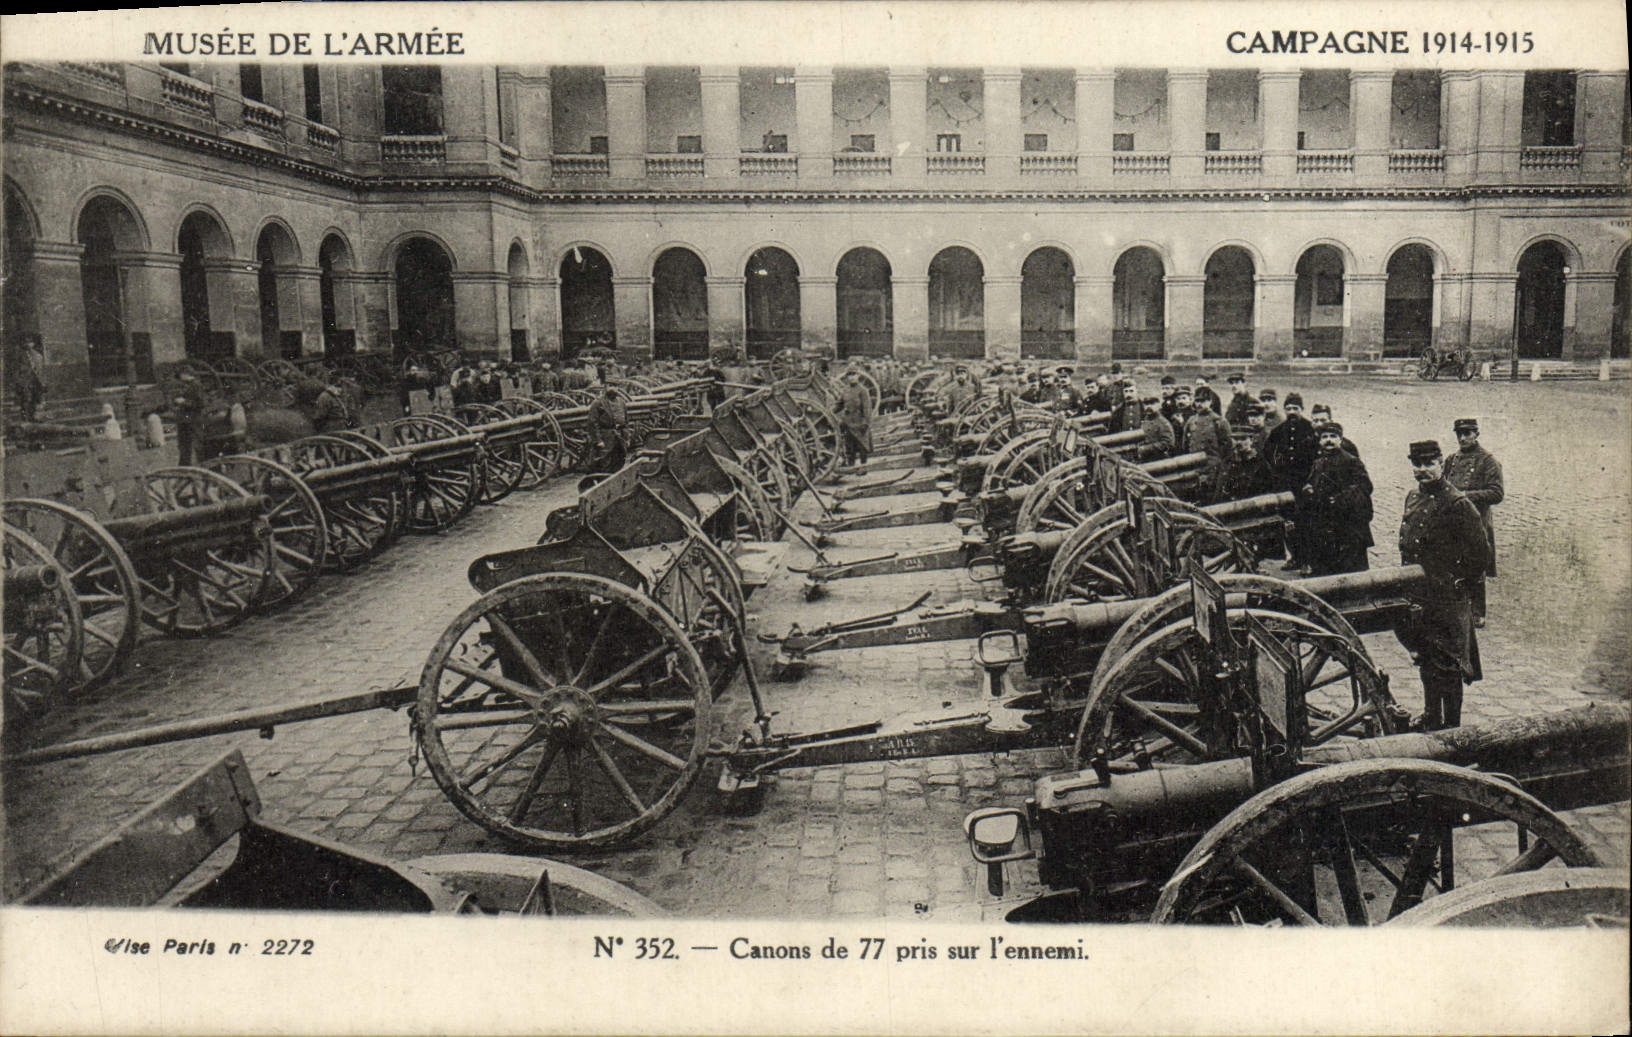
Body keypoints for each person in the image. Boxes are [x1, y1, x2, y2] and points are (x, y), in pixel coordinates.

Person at [1396, 439, 1490, 730]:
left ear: (1441, 465)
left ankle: (1451, 727)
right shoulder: (1413, 497)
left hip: (1447, 598)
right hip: (1419, 595)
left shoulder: (1458, 504)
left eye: (1429, 464)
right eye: (1417, 464)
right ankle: (1431, 716)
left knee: (1447, 665)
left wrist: (1458, 582)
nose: (1422, 470)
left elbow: (1480, 553)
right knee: (1426, 658)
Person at [1442, 417, 1504, 627]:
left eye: (1467, 433)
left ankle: (1477, 612)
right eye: (1459, 434)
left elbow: (1496, 493)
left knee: (1476, 564)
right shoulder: (1451, 459)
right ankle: (1458, 607)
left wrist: (1466, 496)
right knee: (1454, 563)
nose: (1463, 438)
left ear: (1477, 434)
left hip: (1476, 520)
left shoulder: (1487, 461)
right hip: (1454, 521)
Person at [1301, 421, 1374, 575]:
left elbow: (1365, 486)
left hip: (1348, 525)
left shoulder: (1351, 461)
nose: (1328, 440)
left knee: (1351, 569)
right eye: (1325, 437)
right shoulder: (1318, 462)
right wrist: (1308, 488)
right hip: (1325, 524)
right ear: (1320, 441)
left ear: (1340, 440)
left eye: (1333, 436)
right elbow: (1313, 482)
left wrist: (1340, 499)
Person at [1264, 391, 1320, 568]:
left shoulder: (1311, 430)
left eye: (1295, 408)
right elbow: (1269, 454)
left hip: (1304, 485)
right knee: (1289, 522)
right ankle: (1294, 557)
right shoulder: (1278, 432)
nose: (1292, 412)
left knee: (1305, 522)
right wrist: (1279, 468)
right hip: (1285, 485)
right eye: (1288, 408)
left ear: (1302, 409)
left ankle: (1307, 560)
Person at [1177, 385, 1231, 504]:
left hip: (1213, 470)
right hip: (1194, 468)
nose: (1200, 404)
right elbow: (1185, 446)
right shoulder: (1191, 421)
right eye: (1198, 401)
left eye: (1203, 401)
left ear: (1210, 402)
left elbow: (1227, 448)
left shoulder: (1219, 422)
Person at [1219, 423, 1274, 502]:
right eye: (1235, 439)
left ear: (1251, 440)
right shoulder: (1227, 463)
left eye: (1243, 438)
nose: (1239, 442)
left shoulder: (1260, 463)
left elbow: (1267, 491)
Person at [835, 368, 874, 467]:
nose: (852, 377)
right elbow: (839, 404)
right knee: (849, 448)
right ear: (847, 377)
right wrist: (829, 412)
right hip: (848, 423)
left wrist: (866, 423)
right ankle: (851, 467)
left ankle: (863, 467)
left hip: (860, 423)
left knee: (862, 448)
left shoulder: (863, 390)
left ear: (858, 376)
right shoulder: (846, 390)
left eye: (854, 375)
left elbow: (867, 408)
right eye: (850, 375)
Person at [587, 382, 629, 472]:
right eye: (610, 386)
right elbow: (593, 423)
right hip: (605, 437)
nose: (613, 388)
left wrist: (626, 437)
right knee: (603, 463)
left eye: (615, 386)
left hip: (619, 437)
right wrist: (598, 440)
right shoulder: (598, 403)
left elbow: (626, 421)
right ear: (606, 387)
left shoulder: (621, 402)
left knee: (619, 460)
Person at [170, 367, 207, 465]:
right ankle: (185, 466)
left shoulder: (196, 385)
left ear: (186, 374)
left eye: (181, 374)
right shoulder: (189, 385)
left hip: (193, 419)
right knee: (184, 445)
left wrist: (184, 402)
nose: (180, 377)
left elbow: (201, 403)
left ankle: (203, 464)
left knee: (196, 444)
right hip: (185, 420)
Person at [14, 336, 46, 423]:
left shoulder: (37, 354)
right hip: (25, 380)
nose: (29, 344)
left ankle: (32, 417)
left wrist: (42, 381)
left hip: (35, 380)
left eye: (31, 342)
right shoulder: (21, 354)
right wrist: (19, 380)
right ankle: (25, 418)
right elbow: (17, 368)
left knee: (34, 399)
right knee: (25, 399)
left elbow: (40, 368)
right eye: (27, 342)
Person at [1136, 395, 1175, 461]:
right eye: (1146, 404)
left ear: (1158, 406)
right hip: (1145, 458)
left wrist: (1147, 448)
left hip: (1159, 459)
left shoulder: (1163, 422)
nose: (1149, 407)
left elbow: (1168, 443)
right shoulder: (1144, 421)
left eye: (1152, 404)